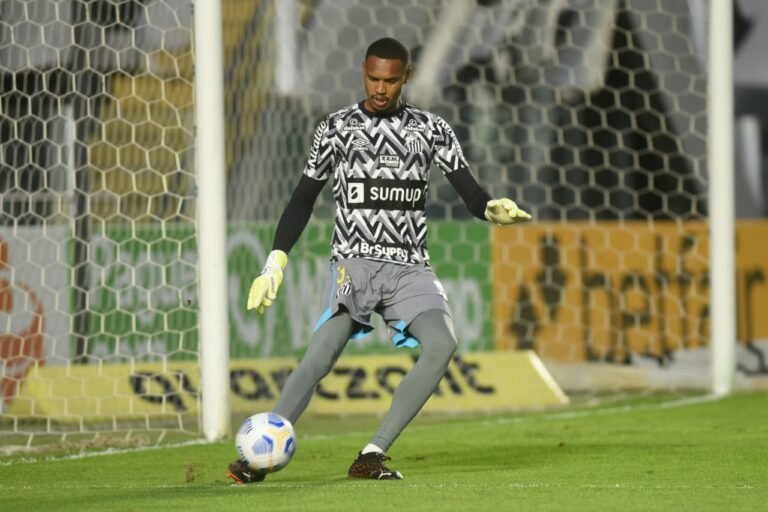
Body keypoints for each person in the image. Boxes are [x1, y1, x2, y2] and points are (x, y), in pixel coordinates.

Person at [227, 37, 530, 484]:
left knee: (442, 345)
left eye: (390, 80)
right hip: (355, 262)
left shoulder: (431, 129)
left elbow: (468, 189)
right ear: (363, 73)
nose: (380, 88)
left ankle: (371, 454)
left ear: (406, 77)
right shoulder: (336, 128)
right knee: (321, 354)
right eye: (373, 78)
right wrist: (275, 261)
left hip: (410, 267)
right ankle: (259, 458)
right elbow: (303, 198)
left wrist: (488, 208)